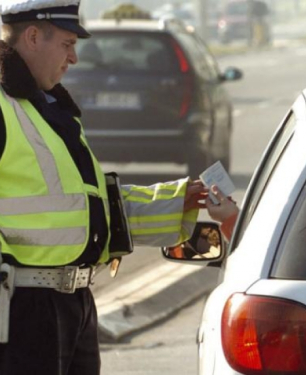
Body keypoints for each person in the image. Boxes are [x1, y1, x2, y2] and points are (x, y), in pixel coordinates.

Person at [0, 1, 207, 374]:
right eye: (67, 44)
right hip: (21, 308)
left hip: (72, 303)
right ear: (32, 37)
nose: (74, 58)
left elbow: (84, 208)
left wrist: (177, 201)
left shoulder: (50, 110)